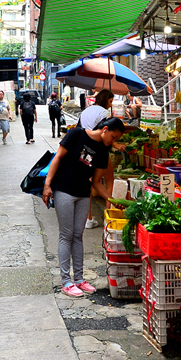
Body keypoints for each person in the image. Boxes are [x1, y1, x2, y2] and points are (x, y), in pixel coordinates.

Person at [43, 117, 126, 297]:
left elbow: (96, 182)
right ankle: (66, 282)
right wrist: (47, 185)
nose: (114, 141)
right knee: (66, 235)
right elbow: (58, 157)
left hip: (83, 194)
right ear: (105, 129)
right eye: (114, 137)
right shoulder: (77, 134)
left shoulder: (103, 151)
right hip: (64, 189)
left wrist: (111, 199)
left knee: (78, 235)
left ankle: (79, 279)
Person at [78, 89, 114, 228]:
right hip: (100, 148)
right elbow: (105, 133)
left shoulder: (86, 111)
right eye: (110, 101)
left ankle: (88, 218)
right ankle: (108, 216)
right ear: (105, 100)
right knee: (109, 180)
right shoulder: (104, 113)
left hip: (86, 150)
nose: (110, 104)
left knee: (89, 182)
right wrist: (115, 143)